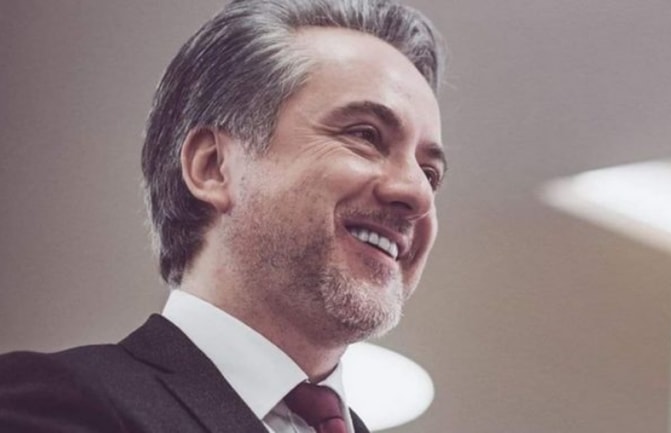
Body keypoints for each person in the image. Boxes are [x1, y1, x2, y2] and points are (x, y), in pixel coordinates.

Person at [0, 0, 446, 432]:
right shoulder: (58, 406)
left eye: (430, 173)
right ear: (212, 167)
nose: (417, 193)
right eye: (365, 135)